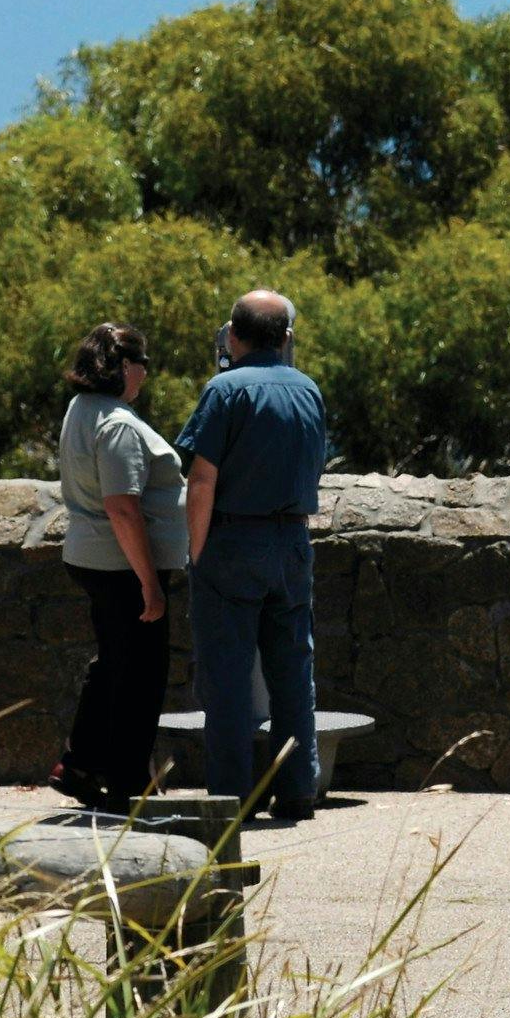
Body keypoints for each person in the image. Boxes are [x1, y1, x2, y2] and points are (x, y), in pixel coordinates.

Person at [176, 289, 328, 819]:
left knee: (227, 676)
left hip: (232, 542)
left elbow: (201, 477)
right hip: (292, 542)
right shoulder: (308, 390)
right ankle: (298, 789)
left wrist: (197, 552)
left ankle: (234, 797)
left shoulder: (224, 390)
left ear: (232, 337)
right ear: (286, 337)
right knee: (293, 672)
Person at [47, 322, 187, 815]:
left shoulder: (80, 409)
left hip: (89, 556)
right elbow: (122, 507)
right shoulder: (119, 424)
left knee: (112, 663)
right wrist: (151, 583)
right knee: (142, 674)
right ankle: (128, 784)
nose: (146, 374)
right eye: (142, 364)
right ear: (125, 367)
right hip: (121, 563)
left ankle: (80, 763)